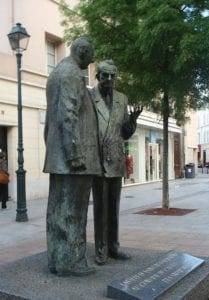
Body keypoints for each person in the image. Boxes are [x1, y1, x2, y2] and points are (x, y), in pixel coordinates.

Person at [43, 37, 102, 276]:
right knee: (73, 212)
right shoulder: (71, 74)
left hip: (60, 157)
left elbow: (50, 122)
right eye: (91, 56)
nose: (92, 61)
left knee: (58, 210)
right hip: (73, 159)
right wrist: (75, 153)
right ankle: (73, 262)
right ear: (84, 51)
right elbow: (68, 116)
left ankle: (57, 260)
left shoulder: (58, 72)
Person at [90, 60, 142, 265]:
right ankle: (101, 249)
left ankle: (113, 247)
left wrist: (133, 122)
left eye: (113, 75)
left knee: (114, 208)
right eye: (105, 75)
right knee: (100, 209)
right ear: (98, 76)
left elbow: (125, 134)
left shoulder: (122, 98)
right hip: (98, 160)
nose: (109, 79)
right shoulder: (89, 97)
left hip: (116, 160)